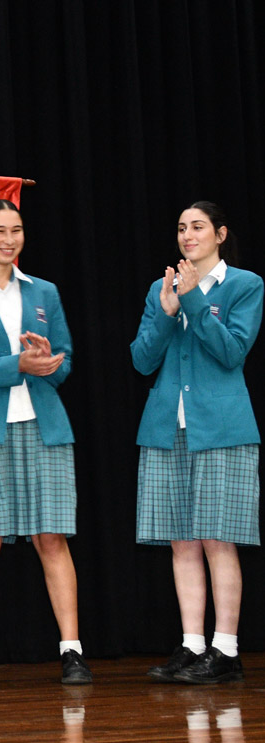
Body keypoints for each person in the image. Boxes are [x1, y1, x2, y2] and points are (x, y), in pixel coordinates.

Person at [0, 199, 92, 687]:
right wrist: (16, 366)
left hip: (44, 427)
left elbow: (66, 363)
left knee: (51, 538)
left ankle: (72, 651)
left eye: (17, 230)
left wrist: (50, 360)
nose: (9, 239)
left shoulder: (44, 291)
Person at [131, 201, 262, 684]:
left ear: (220, 234)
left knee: (217, 539)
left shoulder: (245, 285)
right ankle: (192, 646)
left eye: (198, 227)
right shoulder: (159, 289)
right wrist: (167, 311)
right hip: (168, 427)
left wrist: (190, 303)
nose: (188, 235)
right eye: (182, 227)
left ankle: (226, 651)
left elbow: (232, 352)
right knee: (181, 542)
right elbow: (142, 360)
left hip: (222, 429)